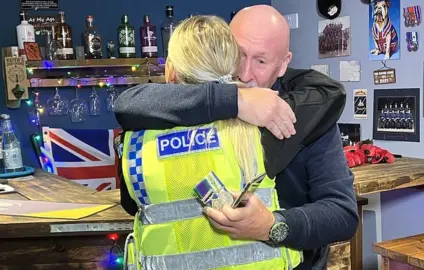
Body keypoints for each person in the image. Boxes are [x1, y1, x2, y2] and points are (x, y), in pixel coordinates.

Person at [115, 5, 359, 270]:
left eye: (261, 61)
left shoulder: (303, 112)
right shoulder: (187, 106)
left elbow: (342, 214)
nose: (244, 74)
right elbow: (127, 104)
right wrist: (236, 100)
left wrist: (272, 226)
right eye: (238, 55)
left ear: (283, 63)